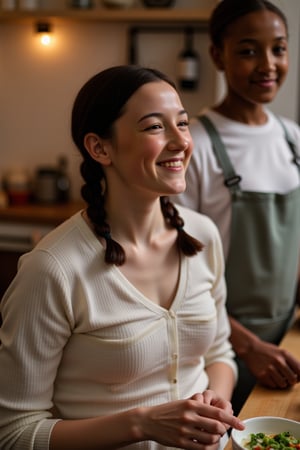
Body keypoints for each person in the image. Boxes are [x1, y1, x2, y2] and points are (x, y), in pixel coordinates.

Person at [0, 65, 244, 450]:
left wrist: (217, 400)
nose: (181, 141)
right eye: (154, 127)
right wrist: (142, 425)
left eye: (182, 123)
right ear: (100, 148)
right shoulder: (53, 269)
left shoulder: (203, 235)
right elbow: (14, 433)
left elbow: (219, 352)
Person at [173, 0, 300, 415]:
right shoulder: (195, 147)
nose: (268, 64)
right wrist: (247, 346)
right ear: (217, 56)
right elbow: (180, 274)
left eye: (278, 48)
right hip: (220, 347)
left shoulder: (293, 139)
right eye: (248, 50)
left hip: (286, 340)